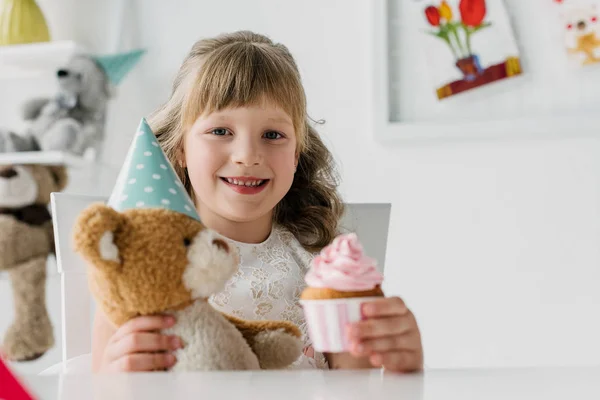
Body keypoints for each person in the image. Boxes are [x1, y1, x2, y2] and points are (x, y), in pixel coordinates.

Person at [92, 30, 423, 373]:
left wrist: (399, 364)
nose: (247, 156)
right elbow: (104, 382)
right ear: (181, 148)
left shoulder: (321, 264)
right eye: (221, 131)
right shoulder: (137, 268)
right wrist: (116, 379)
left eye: (272, 135)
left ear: (296, 153)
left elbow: (359, 384)